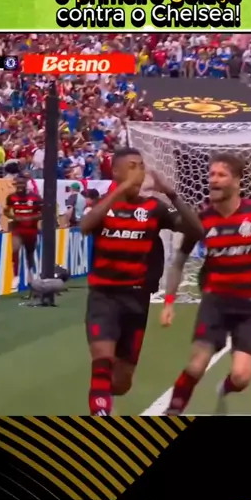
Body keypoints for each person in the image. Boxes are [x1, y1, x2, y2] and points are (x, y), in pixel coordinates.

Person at [159, 152, 251, 415]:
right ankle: (172, 412)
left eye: (221, 175)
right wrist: (169, 301)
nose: (213, 180)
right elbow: (179, 260)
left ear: (237, 181)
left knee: (241, 377)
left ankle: (226, 387)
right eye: (211, 174)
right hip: (215, 303)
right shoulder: (201, 219)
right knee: (196, 365)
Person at [80, 146, 204, 416]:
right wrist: (121, 190)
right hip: (104, 296)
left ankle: (103, 397)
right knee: (102, 361)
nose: (139, 172)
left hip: (137, 299)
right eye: (132, 166)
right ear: (116, 172)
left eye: (141, 166)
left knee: (121, 383)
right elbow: (85, 227)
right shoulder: (105, 206)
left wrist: (171, 193)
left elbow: (196, 230)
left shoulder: (153, 208)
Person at [4, 174, 43, 290]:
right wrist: (14, 217)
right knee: (15, 248)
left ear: (26, 184)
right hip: (18, 228)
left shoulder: (35, 197)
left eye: (22, 184)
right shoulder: (11, 197)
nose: (20, 186)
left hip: (31, 229)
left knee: (29, 253)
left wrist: (31, 218)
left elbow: (43, 213)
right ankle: (15, 276)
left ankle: (30, 274)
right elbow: (6, 211)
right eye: (18, 184)